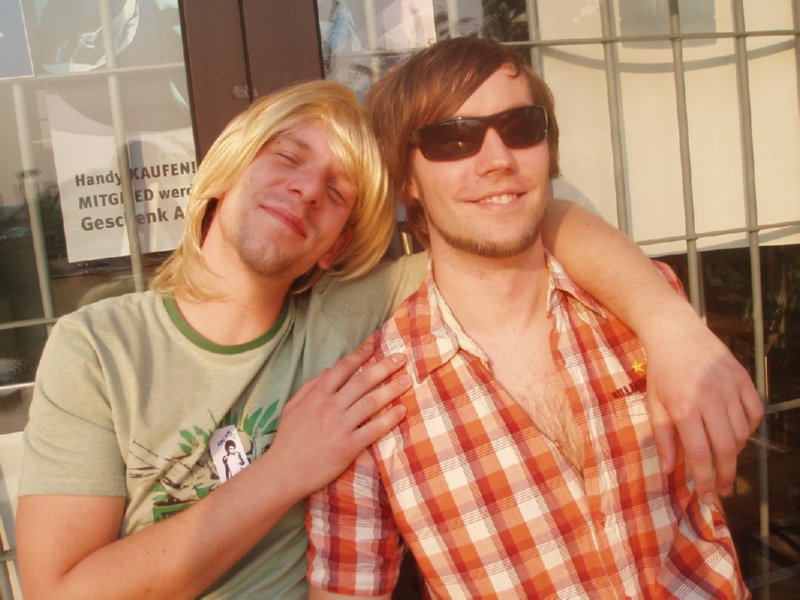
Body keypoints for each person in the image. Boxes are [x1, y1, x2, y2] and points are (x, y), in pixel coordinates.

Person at [17, 76, 757, 597]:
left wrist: (671, 327)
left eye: (337, 191)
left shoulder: (346, 317)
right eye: (287, 156)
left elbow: (522, 218)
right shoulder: (99, 347)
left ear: (335, 246)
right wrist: (286, 468)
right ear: (223, 172)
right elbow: (58, 592)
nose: (307, 188)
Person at [307, 38, 753, 598]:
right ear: (408, 180)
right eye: (453, 137)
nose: (498, 159)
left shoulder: (642, 306)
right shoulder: (371, 401)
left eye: (521, 126)